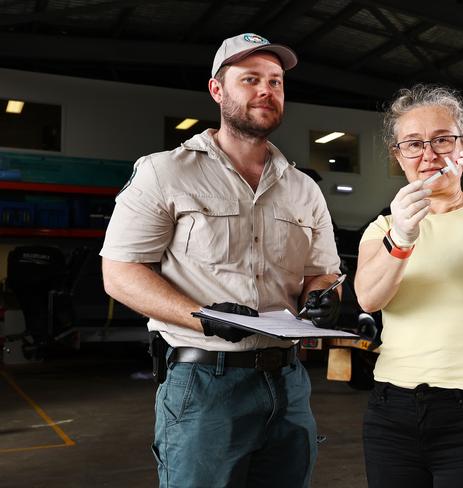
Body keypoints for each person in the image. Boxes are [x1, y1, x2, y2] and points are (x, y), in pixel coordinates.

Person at [100, 33, 342, 488]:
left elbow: (321, 272)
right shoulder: (164, 171)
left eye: (275, 81)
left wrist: (323, 298)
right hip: (203, 382)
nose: (266, 91)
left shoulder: (303, 188)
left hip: (288, 384)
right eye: (250, 79)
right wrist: (204, 317)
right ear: (217, 90)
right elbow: (120, 273)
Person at [354, 84, 463, 488]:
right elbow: (368, 297)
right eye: (413, 144)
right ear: (398, 156)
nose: (429, 155)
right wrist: (401, 238)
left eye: (442, 140)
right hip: (391, 410)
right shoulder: (384, 226)